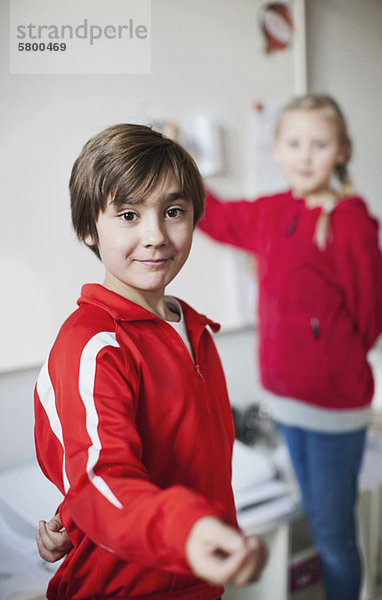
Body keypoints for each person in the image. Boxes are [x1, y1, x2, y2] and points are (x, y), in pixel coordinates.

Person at [33, 123, 267, 600]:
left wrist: (70, 512)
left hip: (197, 581)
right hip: (124, 589)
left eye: (173, 211)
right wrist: (183, 531)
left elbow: (136, 454)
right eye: (128, 214)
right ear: (88, 228)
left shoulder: (194, 329)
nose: (156, 235)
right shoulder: (92, 344)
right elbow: (102, 475)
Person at [196, 94, 382, 600]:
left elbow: (372, 318)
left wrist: (327, 355)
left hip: (333, 410)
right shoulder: (270, 212)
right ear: (277, 150)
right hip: (285, 402)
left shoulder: (349, 220)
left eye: (319, 144)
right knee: (312, 513)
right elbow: (215, 217)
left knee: (331, 535)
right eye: (294, 143)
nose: (305, 156)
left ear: (340, 152)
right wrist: (176, 157)